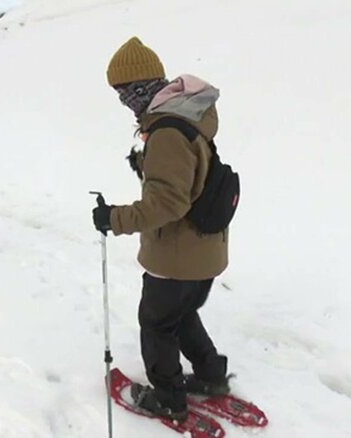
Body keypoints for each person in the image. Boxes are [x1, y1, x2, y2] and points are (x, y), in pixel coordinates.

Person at [93, 37, 231, 421]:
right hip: (204, 250)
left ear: (140, 87)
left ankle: (169, 398)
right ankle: (210, 375)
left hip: (177, 255)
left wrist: (113, 218)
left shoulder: (167, 131)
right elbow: (189, 180)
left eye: (123, 92)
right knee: (181, 315)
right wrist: (146, 166)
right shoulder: (186, 117)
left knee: (156, 323)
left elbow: (168, 204)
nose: (122, 100)